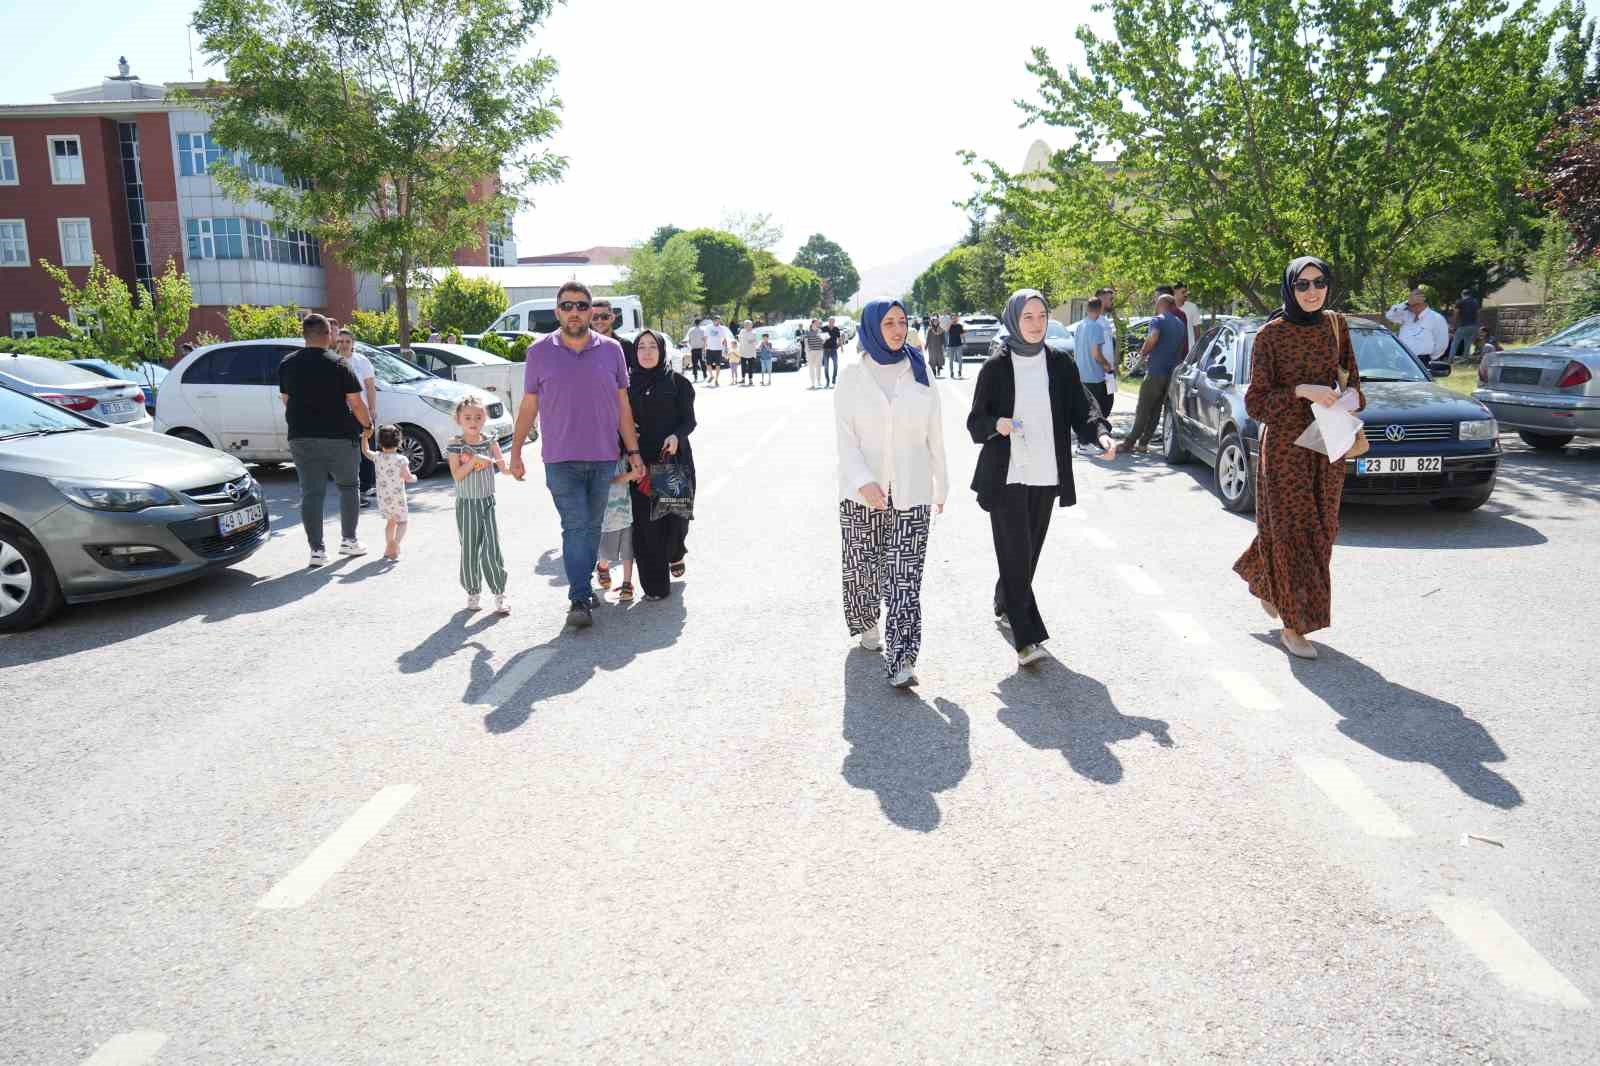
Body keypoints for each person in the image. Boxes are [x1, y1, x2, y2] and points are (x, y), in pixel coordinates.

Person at [968, 289, 1117, 668]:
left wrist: (1100, 432)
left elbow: (1081, 407)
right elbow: (975, 422)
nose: (1036, 324)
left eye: (1041, 316)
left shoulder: (1060, 363)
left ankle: (1006, 598)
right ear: (1014, 320)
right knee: (1016, 553)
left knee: (1027, 554)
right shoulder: (996, 367)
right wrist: (996, 425)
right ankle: (1026, 638)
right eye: (1027, 317)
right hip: (1006, 475)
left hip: (1046, 474)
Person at [1233, 257, 1364, 660]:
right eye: (1303, 285)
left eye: (1319, 283)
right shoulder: (1271, 335)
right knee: (1292, 533)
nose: (1312, 292)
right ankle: (1295, 626)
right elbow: (1255, 403)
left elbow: (1357, 385)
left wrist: (1348, 399)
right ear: (1290, 288)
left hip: (1328, 444)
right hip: (1287, 448)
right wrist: (1301, 391)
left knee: (1322, 531)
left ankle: (1264, 579)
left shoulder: (1335, 326)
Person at [509, 281, 646, 629]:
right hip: (560, 460)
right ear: (557, 312)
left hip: (604, 458)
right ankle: (579, 597)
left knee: (591, 527)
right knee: (575, 527)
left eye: (581, 306)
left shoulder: (612, 350)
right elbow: (529, 405)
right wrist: (515, 452)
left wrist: (633, 452)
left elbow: (623, 406)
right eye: (567, 306)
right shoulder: (539, 352)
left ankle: (582, 590)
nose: (575, 312)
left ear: (590, 311)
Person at [835, 300, 948, 688]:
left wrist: (941, 484)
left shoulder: (919, 371)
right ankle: (867, 622)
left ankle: (902, 658)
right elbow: (845, 440)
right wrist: (863, 480)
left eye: (902, 322)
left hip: (912, 491)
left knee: (904, 579)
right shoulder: (851, 375)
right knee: (863, 570)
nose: (898, 329)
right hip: (861, 494)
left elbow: (935, 432)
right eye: (888, 323)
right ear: (871, 327)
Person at [278, 313, 371, 566]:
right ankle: (349, 541)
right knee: (349, 487)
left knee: (311, 493)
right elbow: (355, 401)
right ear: (328, 335)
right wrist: (367, 425)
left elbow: (285, 399)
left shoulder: (287, 363)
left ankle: (317, 551)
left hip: (301, 435)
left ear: (305, 335)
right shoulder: (340, 364)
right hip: (339, 436)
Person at [627, 329, 696, 600]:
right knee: (646, 526)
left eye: (652, 347)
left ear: (661, 350)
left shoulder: (678, 383)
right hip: (639, 461)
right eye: (641, 347)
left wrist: (677, 436)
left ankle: (676, 553)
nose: (646, 352)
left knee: (675, 523)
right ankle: (655, 586)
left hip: (670, 460)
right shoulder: (626, 386)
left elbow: (689, 421)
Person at [447, 396, 511, 614]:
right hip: (466, 505)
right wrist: (474, 461)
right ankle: (473, 592)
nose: (473, 421)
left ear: (484, 418)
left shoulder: (489, 440)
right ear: (458, 419)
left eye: (478, 416)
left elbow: (503, 466)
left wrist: (513, 470)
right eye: (467, 417)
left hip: (487, 502)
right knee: (470, 550)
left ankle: (499, 594)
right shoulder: (456, 445)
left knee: (492, 548)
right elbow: (457, 475)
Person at [1121, 293, 1186, 453]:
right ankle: (1143, 443)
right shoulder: (1180, 324)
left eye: (1157, 303)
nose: (1155, 306)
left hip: (1155, 371)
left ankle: (1129, 443)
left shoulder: (1157, 320)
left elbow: (1153, 337)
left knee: (1143, 408)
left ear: (1162, 304)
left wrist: (1143, 353)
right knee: (1156, 409)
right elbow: (1179, 348)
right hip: (1170, 373)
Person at [336, 328, 379, 507]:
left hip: (361, 412)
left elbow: (370, 386)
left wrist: (371, 408)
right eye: (341, 341)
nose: (344, 345)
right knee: (349, 452)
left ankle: (368, 484)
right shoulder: (333, 361)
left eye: (347, 341)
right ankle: (355, 489)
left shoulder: (362, 361)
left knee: (367, 447)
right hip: (341, 413)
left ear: (353, 343)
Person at [361, 424, 416, 561]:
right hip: (398, 498)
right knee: (402, 522)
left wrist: (364, 437)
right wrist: (413, 478)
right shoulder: (401, 459)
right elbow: (406, 476)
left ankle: (388, 546)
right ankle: (395, 544)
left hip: (384, 498)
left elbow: (366, 451)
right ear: (399, 442)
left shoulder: (377, 457)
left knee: (390, 522)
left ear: (380, 442)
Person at [1073, 297, 1115, 447]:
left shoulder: (1080, 325)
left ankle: (1082, 441)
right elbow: (1096, 354)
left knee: (1083, 410)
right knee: (1095, 411)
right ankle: (1090, 441)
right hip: (1094, 375)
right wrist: (1107, 364)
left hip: (1080, 373)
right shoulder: (1095, 327)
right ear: (1099, 309)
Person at [595, 455, 637, 602]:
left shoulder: (625, 453)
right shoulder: (600, 454)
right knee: (607, 549)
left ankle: (627, 583)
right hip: (608, 512)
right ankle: (603, 566)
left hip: (626, 508)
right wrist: (630, 475)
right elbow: (609, 481)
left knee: (628, 547)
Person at [1385, 288, 1449, 363]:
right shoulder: (1406, 315)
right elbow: (1389, 315)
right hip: (1402, 358)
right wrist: (1405, 303)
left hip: (1422, 360)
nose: (1410, 305)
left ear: (1423, 301)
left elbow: (1441, 344)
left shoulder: (1436, 318)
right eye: (1410, 300)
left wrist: (1430, 358)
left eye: (1414, 301)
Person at [590, 299, 636, 364]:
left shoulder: (625, 345)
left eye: (604, 317)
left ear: (612, 318)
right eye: (595, 317)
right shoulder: (584, 347)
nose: (599, 321)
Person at [1450, 289, 1481, 362]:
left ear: (1462, 295)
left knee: (1455, 342)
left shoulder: (1460, 302)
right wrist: (1478, 325)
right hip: (1473, 326)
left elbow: (1456, 314)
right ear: (1470, 295)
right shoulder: (1475, 302)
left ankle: (1450, 359)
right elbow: (1478, 314)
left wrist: (1453, 325)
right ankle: (1465, 358)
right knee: (1468, 343)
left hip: (1463, 325)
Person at [704, 315, 734, 387]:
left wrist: (726, 348)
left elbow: (725, 339)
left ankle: (716, 379)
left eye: (718, 320)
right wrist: (705, 347)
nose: (717, 321)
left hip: (718, 349)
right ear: (713, 320)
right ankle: (711, 375)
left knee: (718, 365)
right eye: (715, 320)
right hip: (709, 348)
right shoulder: (708, 327)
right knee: (708, 364)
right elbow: (705, 337)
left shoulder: (722, 329)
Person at [737, 319, 761, 387]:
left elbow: (757, 343)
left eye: (748, 325)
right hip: (743, 352)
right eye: (745, 325)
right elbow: (739, 339)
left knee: (750, 367)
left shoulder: (754, 333)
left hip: (751, 352)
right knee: (743, 366)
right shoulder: (742, 331)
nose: (746, 326)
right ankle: (743, 378)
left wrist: (752, 341)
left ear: (751, 325)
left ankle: (750, 379)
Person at [804, 318, 827, 389]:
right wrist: (807, 352)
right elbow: (806, 342)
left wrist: (825, 339)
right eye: (817, 323)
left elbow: (822, 342)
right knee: (811, 368)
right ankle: (813, 383)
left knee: (818, 367)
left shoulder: (820, 331)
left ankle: (819, 382)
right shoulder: (808, 332)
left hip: (819, 351)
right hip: (811, 352)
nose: (818, 324)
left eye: (818, 323)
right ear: (813, 324)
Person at [820, 317, 843, 387]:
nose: (831, 323)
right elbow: (820, 338)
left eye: (833, 321)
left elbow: (839, 338)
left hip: (833, 350)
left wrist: (841, 347)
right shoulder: (824, 329)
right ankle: (827, 381)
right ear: (828, 321)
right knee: (826, 367)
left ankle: (834, 380)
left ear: (834, 322)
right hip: (825, 350)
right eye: (830, 321)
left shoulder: (836, 329)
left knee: (835, 365)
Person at [946, 314, 965, 378]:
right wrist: (950, 323)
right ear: (951, 319)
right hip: (951, 345)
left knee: (960, 359)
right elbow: (947, 330)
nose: (954, 319)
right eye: (953, 318)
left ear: (957, 319)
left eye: (955, 318)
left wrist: (964, 342)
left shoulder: (959, 326)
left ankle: (959, 371)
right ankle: (951, 372)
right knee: (951, 360)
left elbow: (962, 334)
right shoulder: (950, 326)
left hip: (959, 344)